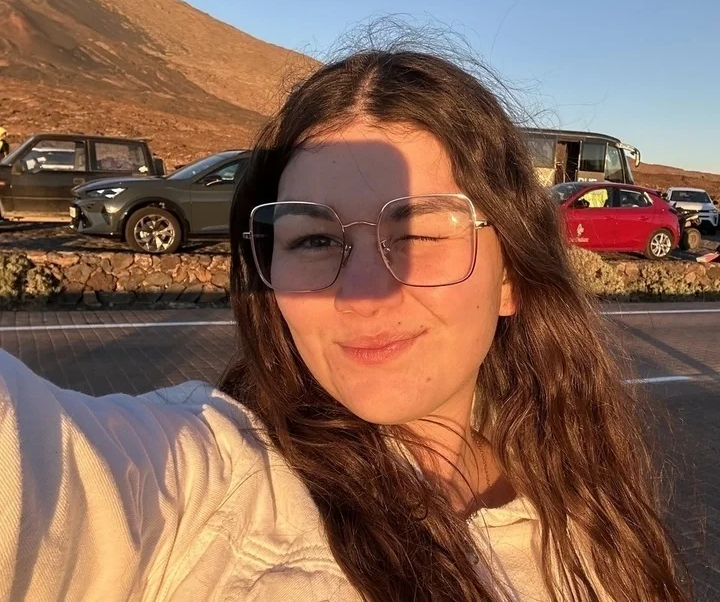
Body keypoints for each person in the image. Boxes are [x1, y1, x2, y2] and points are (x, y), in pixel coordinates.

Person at [0, 49, 689, 602]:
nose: (362, 295)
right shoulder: (208, 484)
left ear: (510, 276)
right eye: (312, 240)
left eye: (417, 234)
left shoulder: (589, 518)